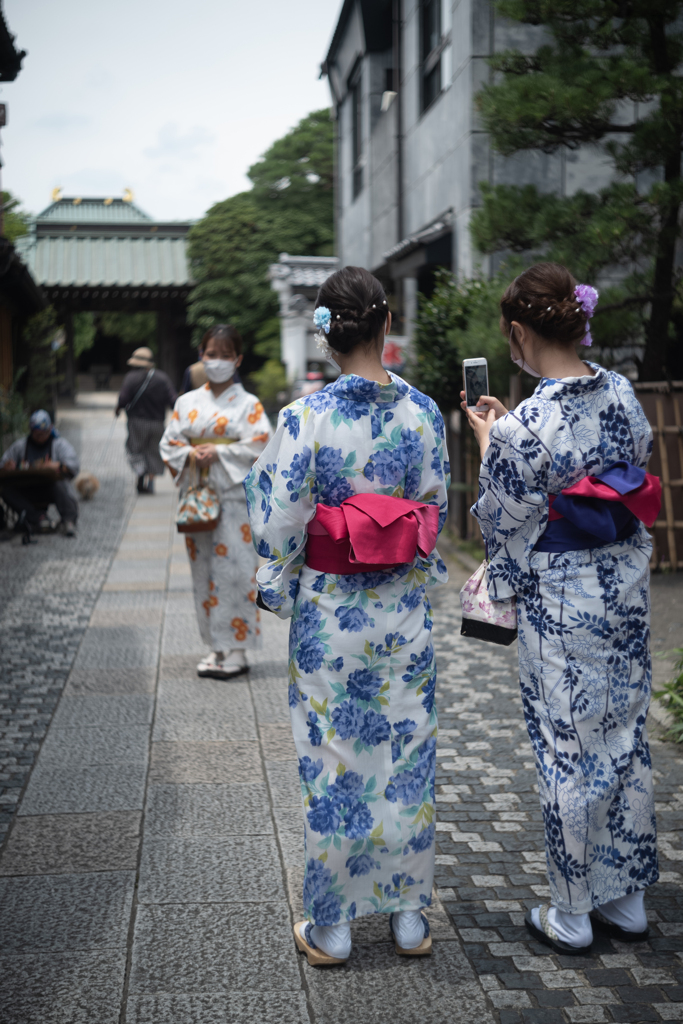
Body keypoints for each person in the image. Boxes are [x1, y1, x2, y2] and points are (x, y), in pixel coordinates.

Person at [245, 266, 450, 966]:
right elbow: (433, 510)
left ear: (326, 335)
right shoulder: (423, 412)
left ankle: (332, 928)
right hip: (400, 610)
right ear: (386, 323)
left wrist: (275, 579)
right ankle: (408, 919)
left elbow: (279, 513)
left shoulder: (304, 418)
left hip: (332, 613)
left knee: (334, 761)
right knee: (405, 756)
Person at [463, 262, 659, 954]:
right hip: (623, 588)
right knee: (623, 736)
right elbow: (630, 464)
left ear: (516, 333)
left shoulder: (525, 425)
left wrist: (492, 440)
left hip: (563, 601)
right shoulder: (622, 393)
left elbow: (499, 517)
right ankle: (627, 900)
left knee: (567, 748)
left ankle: (572, 912)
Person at [159, 324, 272, 680]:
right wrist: (194, 453)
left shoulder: (249, 405)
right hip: (198, 498)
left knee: (237, 573)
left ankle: (238, 649)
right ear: (200, 356)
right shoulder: (186, 402)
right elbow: (169, 445)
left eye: (226, 355)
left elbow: (262, 445)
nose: (218, 361)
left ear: (237, 360)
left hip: (235, 500)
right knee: (204, 573)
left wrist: (220, 453)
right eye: (212, 354)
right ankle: (215, 647)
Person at [0, 409, 80, 536]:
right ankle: (38, 518)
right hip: (26, 489)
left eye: (44, 434)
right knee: (6, 490)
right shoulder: (20, 446)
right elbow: (4, 464)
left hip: (49, 489)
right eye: (37, 434)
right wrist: (7, 466)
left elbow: (74, 466)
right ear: (31, 432)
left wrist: (58, 465)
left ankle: (69, 520)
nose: (40, 438)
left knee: (60, 485)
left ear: (50, 429)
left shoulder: (59, 445)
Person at [116, 347, 177, 494]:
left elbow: (123, 399)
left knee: (135, 449)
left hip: (137, 422)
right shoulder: (162, 378)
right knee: (153, 451)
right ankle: (151, 482)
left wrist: (118, 408)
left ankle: (140, 474)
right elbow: (173, 400)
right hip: (157, 422)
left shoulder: (131, 378)